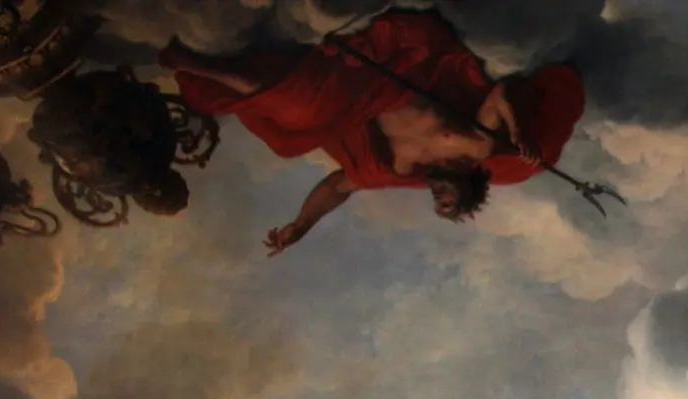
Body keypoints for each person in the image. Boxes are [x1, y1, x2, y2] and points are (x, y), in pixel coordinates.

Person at [158, 9, 587, 255]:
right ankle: (194, 61)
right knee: (299, 106)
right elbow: (501, 93)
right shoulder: (474, 145)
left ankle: (198, 65)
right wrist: (519, 133)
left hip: (352, 101)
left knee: (292, 127)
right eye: (447, 201)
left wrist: (301, 225)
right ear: (466, 189)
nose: (436, 197)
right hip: (388, 72)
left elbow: (338, 185)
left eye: (437, 205)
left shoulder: (400, 169)